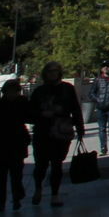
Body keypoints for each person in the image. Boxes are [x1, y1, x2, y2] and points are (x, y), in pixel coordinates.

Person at [26, 62, 84, 207]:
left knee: (57, 164)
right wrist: (42, 114)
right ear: (45, 73)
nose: (53, 74)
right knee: (41, 164)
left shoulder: (67, 89)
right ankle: (38, 187)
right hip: (43, 131)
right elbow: (29, 113)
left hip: (61, 131)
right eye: (50, 71)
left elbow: (75, 109)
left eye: (55, 71)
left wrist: (80, 127)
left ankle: (55, 194)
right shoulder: (39, 91)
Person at [0, 78, 31, 214]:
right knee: (1, 177)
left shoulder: (22, 104)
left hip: (16, 145)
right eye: (10, 91)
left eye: (15, 91)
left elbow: (30, 116)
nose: (12, 94)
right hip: (0, 147)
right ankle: (2, 202)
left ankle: (16, 198)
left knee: (17, 175)